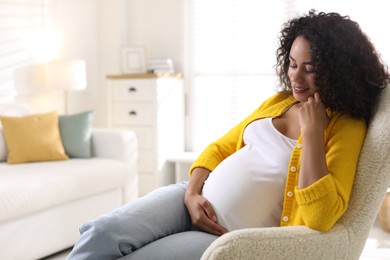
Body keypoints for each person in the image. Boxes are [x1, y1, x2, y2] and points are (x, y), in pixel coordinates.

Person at [67, 10, 389, 260]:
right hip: (191, 197)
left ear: (337, 70)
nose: (296, 77)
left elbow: (321, 217)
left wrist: (314, 131)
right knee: (102, 233)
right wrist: (193, 192)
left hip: (225, 234)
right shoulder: (280, 102)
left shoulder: (345, 126)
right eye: (292, 64)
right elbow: (220, 147)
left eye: (310, 68)